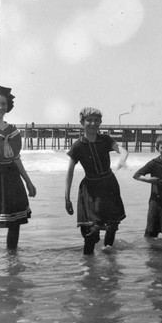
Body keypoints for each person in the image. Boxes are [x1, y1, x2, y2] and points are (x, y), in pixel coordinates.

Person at [65, 107, 128, 254]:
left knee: (112, 225)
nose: (93, 123)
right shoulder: (78, 146)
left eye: (96, 120)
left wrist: (122, 160)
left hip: (109, 185)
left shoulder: (105, 140)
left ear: (100, 122)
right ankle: (88, 264)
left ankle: (109, 259)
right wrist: (67, 198)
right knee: (92, 231)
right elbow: (69, 172)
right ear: (82, 122)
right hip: (90, 189)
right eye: (89, 120)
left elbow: (123, 150)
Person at [0, 85, 36, 250]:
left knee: (13, 223)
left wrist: (28, 182)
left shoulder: (13, 131)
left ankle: (12, 259)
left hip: (11, 179)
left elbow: (16, 158)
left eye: (4, 104)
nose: (0, 107)